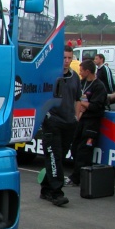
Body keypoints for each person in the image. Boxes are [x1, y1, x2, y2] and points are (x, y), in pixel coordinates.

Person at [39, 46, 80, 206]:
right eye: (64, 58)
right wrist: (46, 116)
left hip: (69, 122)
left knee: (59, 158)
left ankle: (46, 188)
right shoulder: (50, 76)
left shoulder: (75, 77)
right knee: (54, 157)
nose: (67, 61)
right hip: (53, 122)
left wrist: (76, 117)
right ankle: (57, 192)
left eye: (69, 58)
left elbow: (78, 98)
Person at [67, 59, 108, 186]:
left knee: (84, 151)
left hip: (92, 123)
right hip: (81, 120)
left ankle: (78, 178)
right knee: (75, 148)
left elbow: (95, 106)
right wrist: (82, 105)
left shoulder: (99, 86)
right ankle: (76, 175)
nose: (79, 72)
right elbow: (76, 99)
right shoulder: (82, 82)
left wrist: (83, 104)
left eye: (81, 70)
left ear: (88, 71)